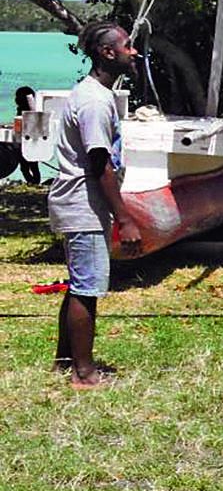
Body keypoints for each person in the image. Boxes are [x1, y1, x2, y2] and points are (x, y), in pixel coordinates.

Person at [48, 22, 142, 390]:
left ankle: (64, 361)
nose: (133, 52)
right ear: (108, 53)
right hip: (82, 204)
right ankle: (83, 374)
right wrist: (126, 219)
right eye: (128, 46)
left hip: (83, 204)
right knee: (88, 288)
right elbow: (99, 164)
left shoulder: (97, 95)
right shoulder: (94, 102)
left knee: (79, 284)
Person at [13, 87, 41, 185]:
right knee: (33, 166)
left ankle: (33, 182)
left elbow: (18, 128)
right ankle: (34, 183)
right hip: (32, 141)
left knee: (25, 167)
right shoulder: (32, 111)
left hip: (24, 142)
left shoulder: (23, 111)